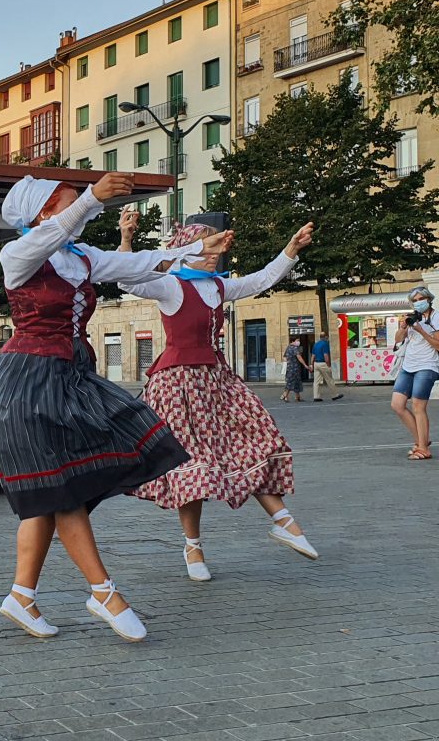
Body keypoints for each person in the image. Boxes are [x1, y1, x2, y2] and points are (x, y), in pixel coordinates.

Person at [0, 174, 234, 642]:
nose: (82, 212)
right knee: (63, 493)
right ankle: (103, 592)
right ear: (43, 212)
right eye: (71, 205)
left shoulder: (80, 258)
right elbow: (55, 231)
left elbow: (137, 264)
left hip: (69, 376)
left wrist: (196, 252)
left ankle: (21, 595)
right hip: (23, 383)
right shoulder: (17, 254)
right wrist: (93, 198)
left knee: (50, 496)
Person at [120, 221, 319, 583]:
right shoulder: (170, 286)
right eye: (207, 248)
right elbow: (126, 281)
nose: (215, 255)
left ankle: (284, 522)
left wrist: (291, 249)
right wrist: (125, 240)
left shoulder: (218, 286)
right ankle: (192, 546)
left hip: (217, 380)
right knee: (193, 467)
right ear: (187, 252)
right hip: (178, 384)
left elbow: (260, 280)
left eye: (217, 248)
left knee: (257, 439)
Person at [391, 286, 439, 461]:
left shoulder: (436, 317)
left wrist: (421, 330)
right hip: (408, 366)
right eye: (415, 300)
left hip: (427, 366)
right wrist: (404, 327)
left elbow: (438, 345)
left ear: (429, 299)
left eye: (421, 299)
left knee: (418, 406)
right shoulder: (412, 317)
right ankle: (421, 441)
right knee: (397, 405)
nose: (418, 302)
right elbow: (397, 340)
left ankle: (423, 448)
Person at [310, 331, 343, 402]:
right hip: (323, 363)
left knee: (316, 381)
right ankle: (335, 395)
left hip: (316, 363)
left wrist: (311, 364)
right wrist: (328, 364)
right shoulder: (325, 344)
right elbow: (326, 355)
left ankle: (316, 396)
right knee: (329, 379)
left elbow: (313, 356)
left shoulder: (316, 344)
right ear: (326, 337)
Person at [280, 336, 310, 402]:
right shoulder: (295, 348)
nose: (298, 342)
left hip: (289, 367)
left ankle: (297, 397)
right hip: (295, 368)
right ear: (292, 341)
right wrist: (305, 365)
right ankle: (284, 394)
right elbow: (299, 357)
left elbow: (284, 357)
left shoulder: (288, 347)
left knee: (296, 382)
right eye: (297, 340)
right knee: (291, 381)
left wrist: (288, 362)